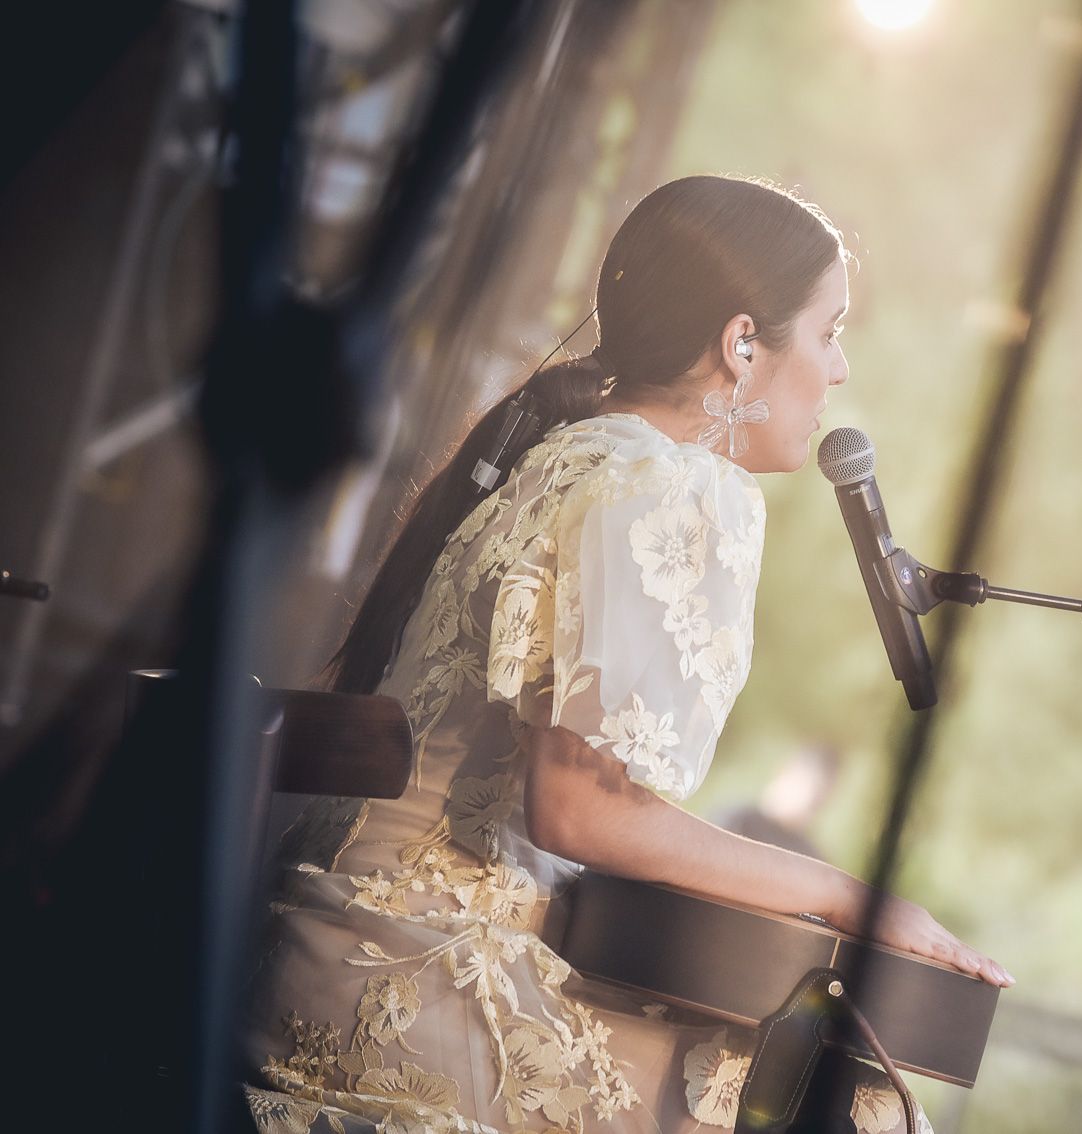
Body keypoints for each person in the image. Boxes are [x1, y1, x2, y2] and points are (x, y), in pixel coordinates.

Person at [244, 174, 1011, 1134]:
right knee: (863, 1112)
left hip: (329, 944)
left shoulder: (567, 453)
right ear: (741, 343)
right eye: (829, 332)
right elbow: (579, 811)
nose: (840, 370)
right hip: (421, 972)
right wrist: (847, 900)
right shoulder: (669, 485)